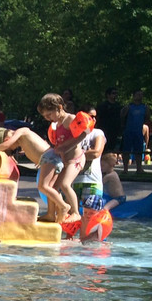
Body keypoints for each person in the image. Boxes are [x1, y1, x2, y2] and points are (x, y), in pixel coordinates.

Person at [38, 92, 92, 222]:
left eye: (49, 114)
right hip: (65, 160)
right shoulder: (56, 124)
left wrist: (66, 147)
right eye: (45, 116)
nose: (47, 118)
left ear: (59, 108)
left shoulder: (69, 119)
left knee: (65, 184)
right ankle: (51, 214)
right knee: (52, 187)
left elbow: (84, 133)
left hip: (75, 159)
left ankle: (75, 212)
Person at [73, 108, 106, 208]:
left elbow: (96, 153)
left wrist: (75, 155)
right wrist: (87, 153)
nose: (94, 119)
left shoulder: (97, 133)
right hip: (74, 181)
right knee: (70, 214)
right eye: (91, 116)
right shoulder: (73, 134)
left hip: (92, 181)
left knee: (92, 214)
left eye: (95, 117)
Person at [121, 89, 150, 173]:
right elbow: (122, 117)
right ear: (133, 96)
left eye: (141, 95)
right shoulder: (128, 107)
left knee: (139, 151)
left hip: (138, 132)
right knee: (126, 151)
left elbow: (147, 118)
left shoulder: (145, 107)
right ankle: (125, 169)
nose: (140, 96)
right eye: (138, 94)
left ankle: (139, 168)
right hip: (128, 131)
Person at [96, 87, 123, 153]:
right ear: (108, 95)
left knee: (113, 148)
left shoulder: (118, 106)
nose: (115, 95)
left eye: (116, 93)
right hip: (105, 129)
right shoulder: (102, 106)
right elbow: (98, 117)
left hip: (115, 130)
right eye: (113, 93)